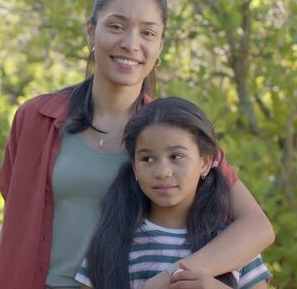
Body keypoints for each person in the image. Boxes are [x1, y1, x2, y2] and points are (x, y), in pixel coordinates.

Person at [0, 0, 274, 289]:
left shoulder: (173, 131)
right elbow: (15, 223)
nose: (130, 44)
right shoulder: (36, 118)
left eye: (148, 32)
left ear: (160, 46)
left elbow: (257, 228)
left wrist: (165, 281)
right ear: (91, 31)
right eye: (116, 26)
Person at [75, 97, 272, 289]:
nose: (162, 172)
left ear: (204, 163)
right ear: (134, 167)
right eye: (148, 159)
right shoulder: (112, 243)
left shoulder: (233, 245)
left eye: (176, 156)